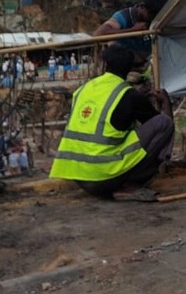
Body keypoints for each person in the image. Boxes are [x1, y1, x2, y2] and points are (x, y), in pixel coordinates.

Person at [49, 45, 175, 200]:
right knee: (164, 123)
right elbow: (159, 125)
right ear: (130, 69)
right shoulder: (129, 95)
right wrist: (166, 104)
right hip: (105, 179)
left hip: (79, 176)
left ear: (105, 65)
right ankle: (130, 184)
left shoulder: (82, 89)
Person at [94, 0, 169, 79]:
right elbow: (98, 34)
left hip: (145, 71)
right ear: (142, 7)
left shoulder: (157, 21)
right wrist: (133, 30)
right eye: (151, 15)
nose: (153, 19)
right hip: (121, 73)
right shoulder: (123, 17)